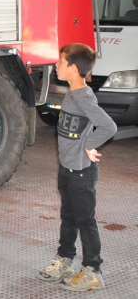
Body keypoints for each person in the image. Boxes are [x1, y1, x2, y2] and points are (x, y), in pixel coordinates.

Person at [37, 43, 116, 292]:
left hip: (81, 172)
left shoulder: (83, 96)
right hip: (67, 168)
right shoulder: (71, 93)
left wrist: (88, 145)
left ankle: (93, 271)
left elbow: (109, 126)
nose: (56, 65)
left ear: (72, 67)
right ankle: (65, 260)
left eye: (60, 62)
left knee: (86, 221)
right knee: (68, 218)